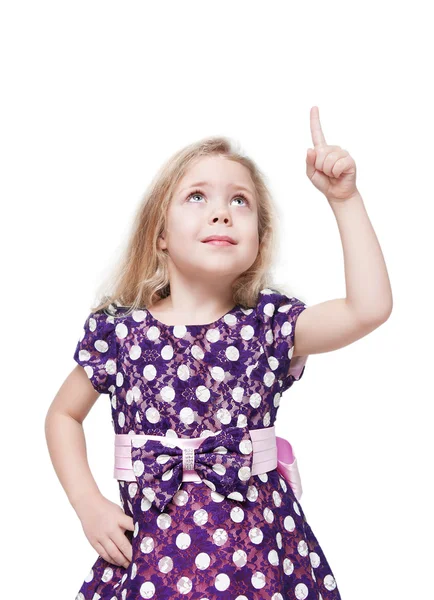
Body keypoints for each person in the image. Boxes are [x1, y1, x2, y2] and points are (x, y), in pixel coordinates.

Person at [45, 105, 392, 599]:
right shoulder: (119, 333)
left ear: (258, 239)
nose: (221, 211)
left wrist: (345, 199)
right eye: (196, 196)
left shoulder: (271, 325)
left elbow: (369, 308)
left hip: (261, 561)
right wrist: (87, 502)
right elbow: (62, 414)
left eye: (240, 201)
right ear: (159, 234)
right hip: (151, 564)